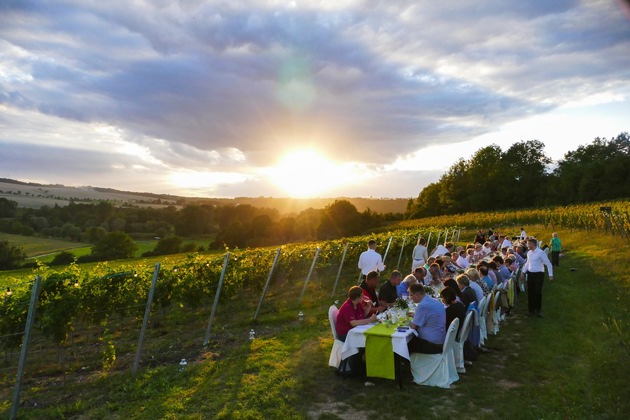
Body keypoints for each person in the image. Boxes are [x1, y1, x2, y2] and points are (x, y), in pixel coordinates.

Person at [407, 283, 446, 354]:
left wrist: (406, 322)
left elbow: (413, 326)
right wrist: (416, 316)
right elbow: (428, 317)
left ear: (418, 294)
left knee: (406, 344)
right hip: (440, 339)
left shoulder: (423, 305)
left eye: (411, 295)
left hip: (433, 344)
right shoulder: (433, 300)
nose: (410, 297)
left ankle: (408, 364)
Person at [520, 238, 553, 317]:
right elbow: (528, 263)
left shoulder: (540, 253)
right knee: (530, 292)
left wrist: (550, 275)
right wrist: (523, 272)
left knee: (537, 292)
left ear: (532, 244)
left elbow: (548, 264)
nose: (527, 245)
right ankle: (531, 310)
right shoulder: (529, 253)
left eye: (528, 244)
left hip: (539, 274)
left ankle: (538, 310)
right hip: (530, 274)